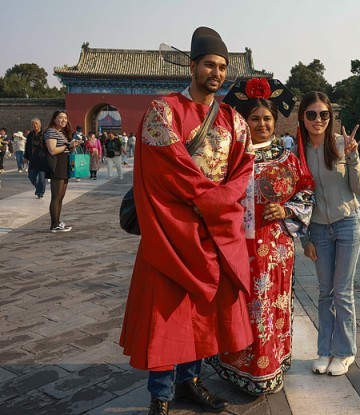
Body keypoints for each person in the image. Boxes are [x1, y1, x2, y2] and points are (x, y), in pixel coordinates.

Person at [119, 26, 255, 415]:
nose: (217, 73)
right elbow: (170, 169)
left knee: (201, 314)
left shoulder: (233, 119)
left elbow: (243, 169)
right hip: (173, 227)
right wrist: (213, 201)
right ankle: (160, 395)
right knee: (168, 314)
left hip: (213, 229)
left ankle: (189, 383)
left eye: (223, 67)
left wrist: (220, 203)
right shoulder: (163, 111)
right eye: (209, 65)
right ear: (192, 66)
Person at [208, 78, 314, 395]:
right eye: (255, 118)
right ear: (245, 121)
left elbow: (307, 193)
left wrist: (286, 209)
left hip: (276, 248)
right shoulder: (230, 158)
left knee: (269, 304)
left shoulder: (288, 158)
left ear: (275, 121)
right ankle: (236, 365)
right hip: (237, 245)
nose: (262, 124)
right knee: (239, 303)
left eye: (267, 118)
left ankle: (268, 365)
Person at [299, 91, 360, 376]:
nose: (318, 119)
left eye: (324, 114)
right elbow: (297, 199)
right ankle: (324, 351)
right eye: (312, 114)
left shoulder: (341, 144)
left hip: (348, 222)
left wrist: (352, 157)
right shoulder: (297, 151)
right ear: (302, 117)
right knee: (325, 292)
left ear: (331, 117)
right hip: (318, 229)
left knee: (342, 292)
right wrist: (305, 239)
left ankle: (345, 352)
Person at [44, 110, 82, 232]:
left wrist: (73, 145)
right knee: (56, 195)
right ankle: (53, 224)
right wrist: (68, 146)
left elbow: (63, 148)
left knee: (61, 196)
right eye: (60, 118)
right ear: (54, 119)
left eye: (65, 118)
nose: (64, 120)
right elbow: (52, 150)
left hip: (64, 163)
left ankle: (57, 221)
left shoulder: (61, 132)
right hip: (57, 164)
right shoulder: (51, 131)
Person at [24, 118, 47, 199]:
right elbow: (27, 147)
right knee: (31, 177)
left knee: (41, 178)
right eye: (33, 124)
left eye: (36, 123)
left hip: (42, 159)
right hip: (32, 159)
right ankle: (39, 188)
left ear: (40, 124)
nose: (35, 125)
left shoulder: (44, 134)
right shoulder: (30, 135)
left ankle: (40, 193)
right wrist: (26, 157)